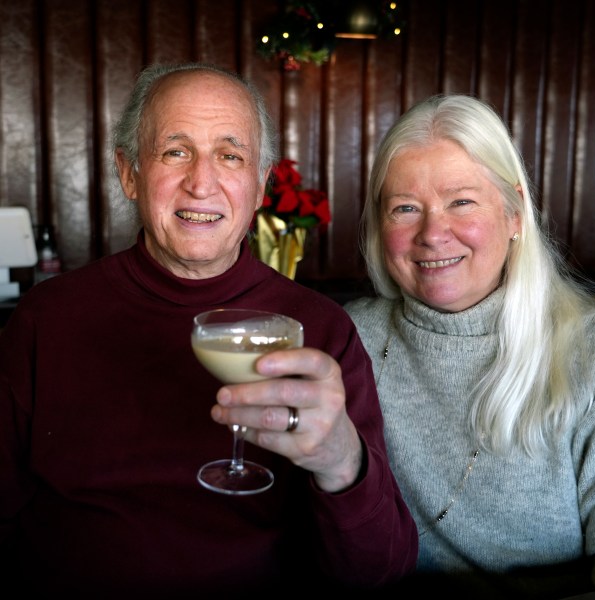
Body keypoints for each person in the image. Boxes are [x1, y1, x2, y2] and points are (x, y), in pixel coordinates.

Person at [0, 62, 418, 597]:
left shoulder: (317, 330)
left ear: (260, 185)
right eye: (175, 151)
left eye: (231, 156)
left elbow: (381, 573)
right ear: (129, 173)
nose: (201, 182)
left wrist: (342, 461)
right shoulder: (45, 318)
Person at [345, 94, 595, 599]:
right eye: (405, 208)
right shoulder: (349, 340)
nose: (433, 233)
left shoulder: (588, 352)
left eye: (461, 201)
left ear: (514, 215)